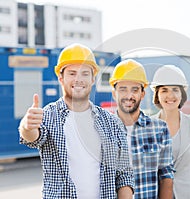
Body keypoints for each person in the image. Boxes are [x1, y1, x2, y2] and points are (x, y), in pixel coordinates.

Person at [18, 43, 134, 199]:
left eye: (85, 73)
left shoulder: (112, 122)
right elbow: (32, 137)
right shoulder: (48, 116)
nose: (78, 79)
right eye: (72, 73)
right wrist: (27, 125)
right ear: (61, 77)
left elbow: (124, 174)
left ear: (93, 79)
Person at [109, 59, 174, 199]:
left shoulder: (159, 129)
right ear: (114, 93)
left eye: (135, 90)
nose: (129, 96)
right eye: (123, 89)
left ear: (143, 94)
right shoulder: (103, 130)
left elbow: (166, 177)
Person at [150, 65, 190, 199]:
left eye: (175, 90)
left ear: (182, 94)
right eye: (164, 90)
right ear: (157, 95)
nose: (170, 95)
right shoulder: (147, 127)